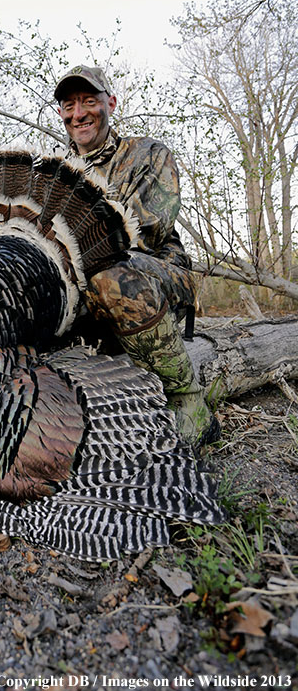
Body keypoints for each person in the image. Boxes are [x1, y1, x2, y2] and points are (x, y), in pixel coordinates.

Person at [54, 64, 220, 448]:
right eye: (69, 105)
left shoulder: (148, 154)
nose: (79, 113)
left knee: (111, 275)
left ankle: (189, 403)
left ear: (110, 103)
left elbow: (144, 233)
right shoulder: (56, 170)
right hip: (79, 289)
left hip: (155, 274)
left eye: (89, 101)